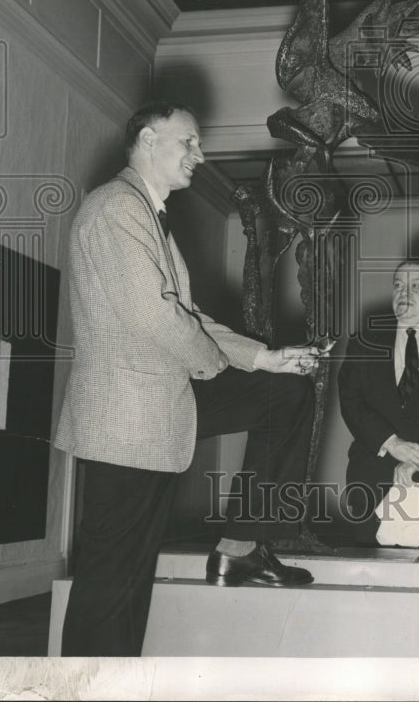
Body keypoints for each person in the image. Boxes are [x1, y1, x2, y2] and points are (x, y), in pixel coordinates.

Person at [55, 101, 321, 657]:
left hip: (156, 412)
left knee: (284, 391)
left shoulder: (146, 215)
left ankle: (243, 542)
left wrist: (262, 359)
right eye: (189, 142)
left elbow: (189, 317)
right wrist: (216, 366)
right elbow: (156, 317)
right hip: (125, 421)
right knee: (111, 584)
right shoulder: (115, 210)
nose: (200, 155)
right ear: (149, 141)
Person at [338, 261, 419, 547]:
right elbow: (350, 400)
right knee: (368, 575)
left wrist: (418, 461)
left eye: (415, 286)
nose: (403, 293)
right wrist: (391, 443)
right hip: (371, 474)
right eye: (398, 285)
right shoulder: (366, 338)